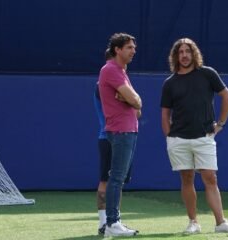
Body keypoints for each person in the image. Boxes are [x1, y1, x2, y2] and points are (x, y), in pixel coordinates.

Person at [160, 38, 228, 234]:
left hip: (204, 137)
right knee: (186, 179)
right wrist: (169, 137)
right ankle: (193, 222)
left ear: (194, 53)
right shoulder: (170, 83)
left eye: (188, 51)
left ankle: (220, 223)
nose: (184, 55)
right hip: (178, 139)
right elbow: (165, 114)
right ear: (176, 56)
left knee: (210, 177)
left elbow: (227, 97)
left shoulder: (207, 74)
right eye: (180, 52)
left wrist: (220, 124)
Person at [98, 33, 142, 237]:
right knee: (116, 178)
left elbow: (138, 106)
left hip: (129, 130)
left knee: (119, 178)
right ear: (118, 49)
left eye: (134, 47)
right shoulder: (111, 70)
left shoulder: (122, 71)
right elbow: (136, 101)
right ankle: (112, 224)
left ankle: (115, 223)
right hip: (121, 130)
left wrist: (130, 100)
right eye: (129, 47)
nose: (133, 51)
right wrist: (130, 100)